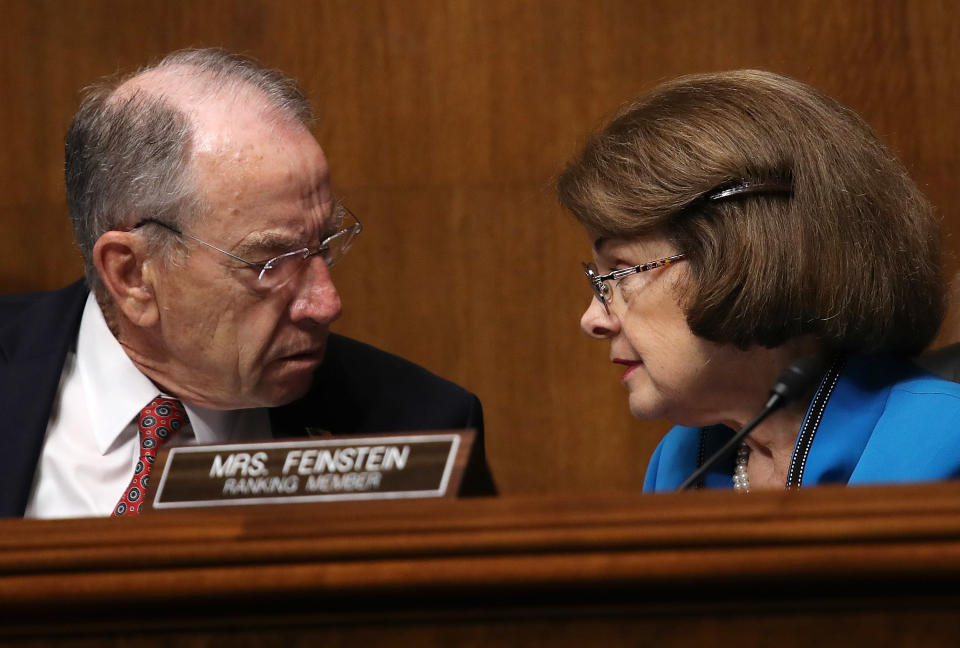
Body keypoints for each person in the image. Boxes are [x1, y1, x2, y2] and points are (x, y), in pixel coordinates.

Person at [0, 48, 495, 518]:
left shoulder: (421, 426)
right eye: (271, 262)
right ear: (131, 274)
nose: (326, 303)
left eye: (322, 246)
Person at [557, 70, 960, 493]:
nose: (593, 320)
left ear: (740, 256)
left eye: (620, 273)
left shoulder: (945, 445)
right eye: (597, 279)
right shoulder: (679, 463)